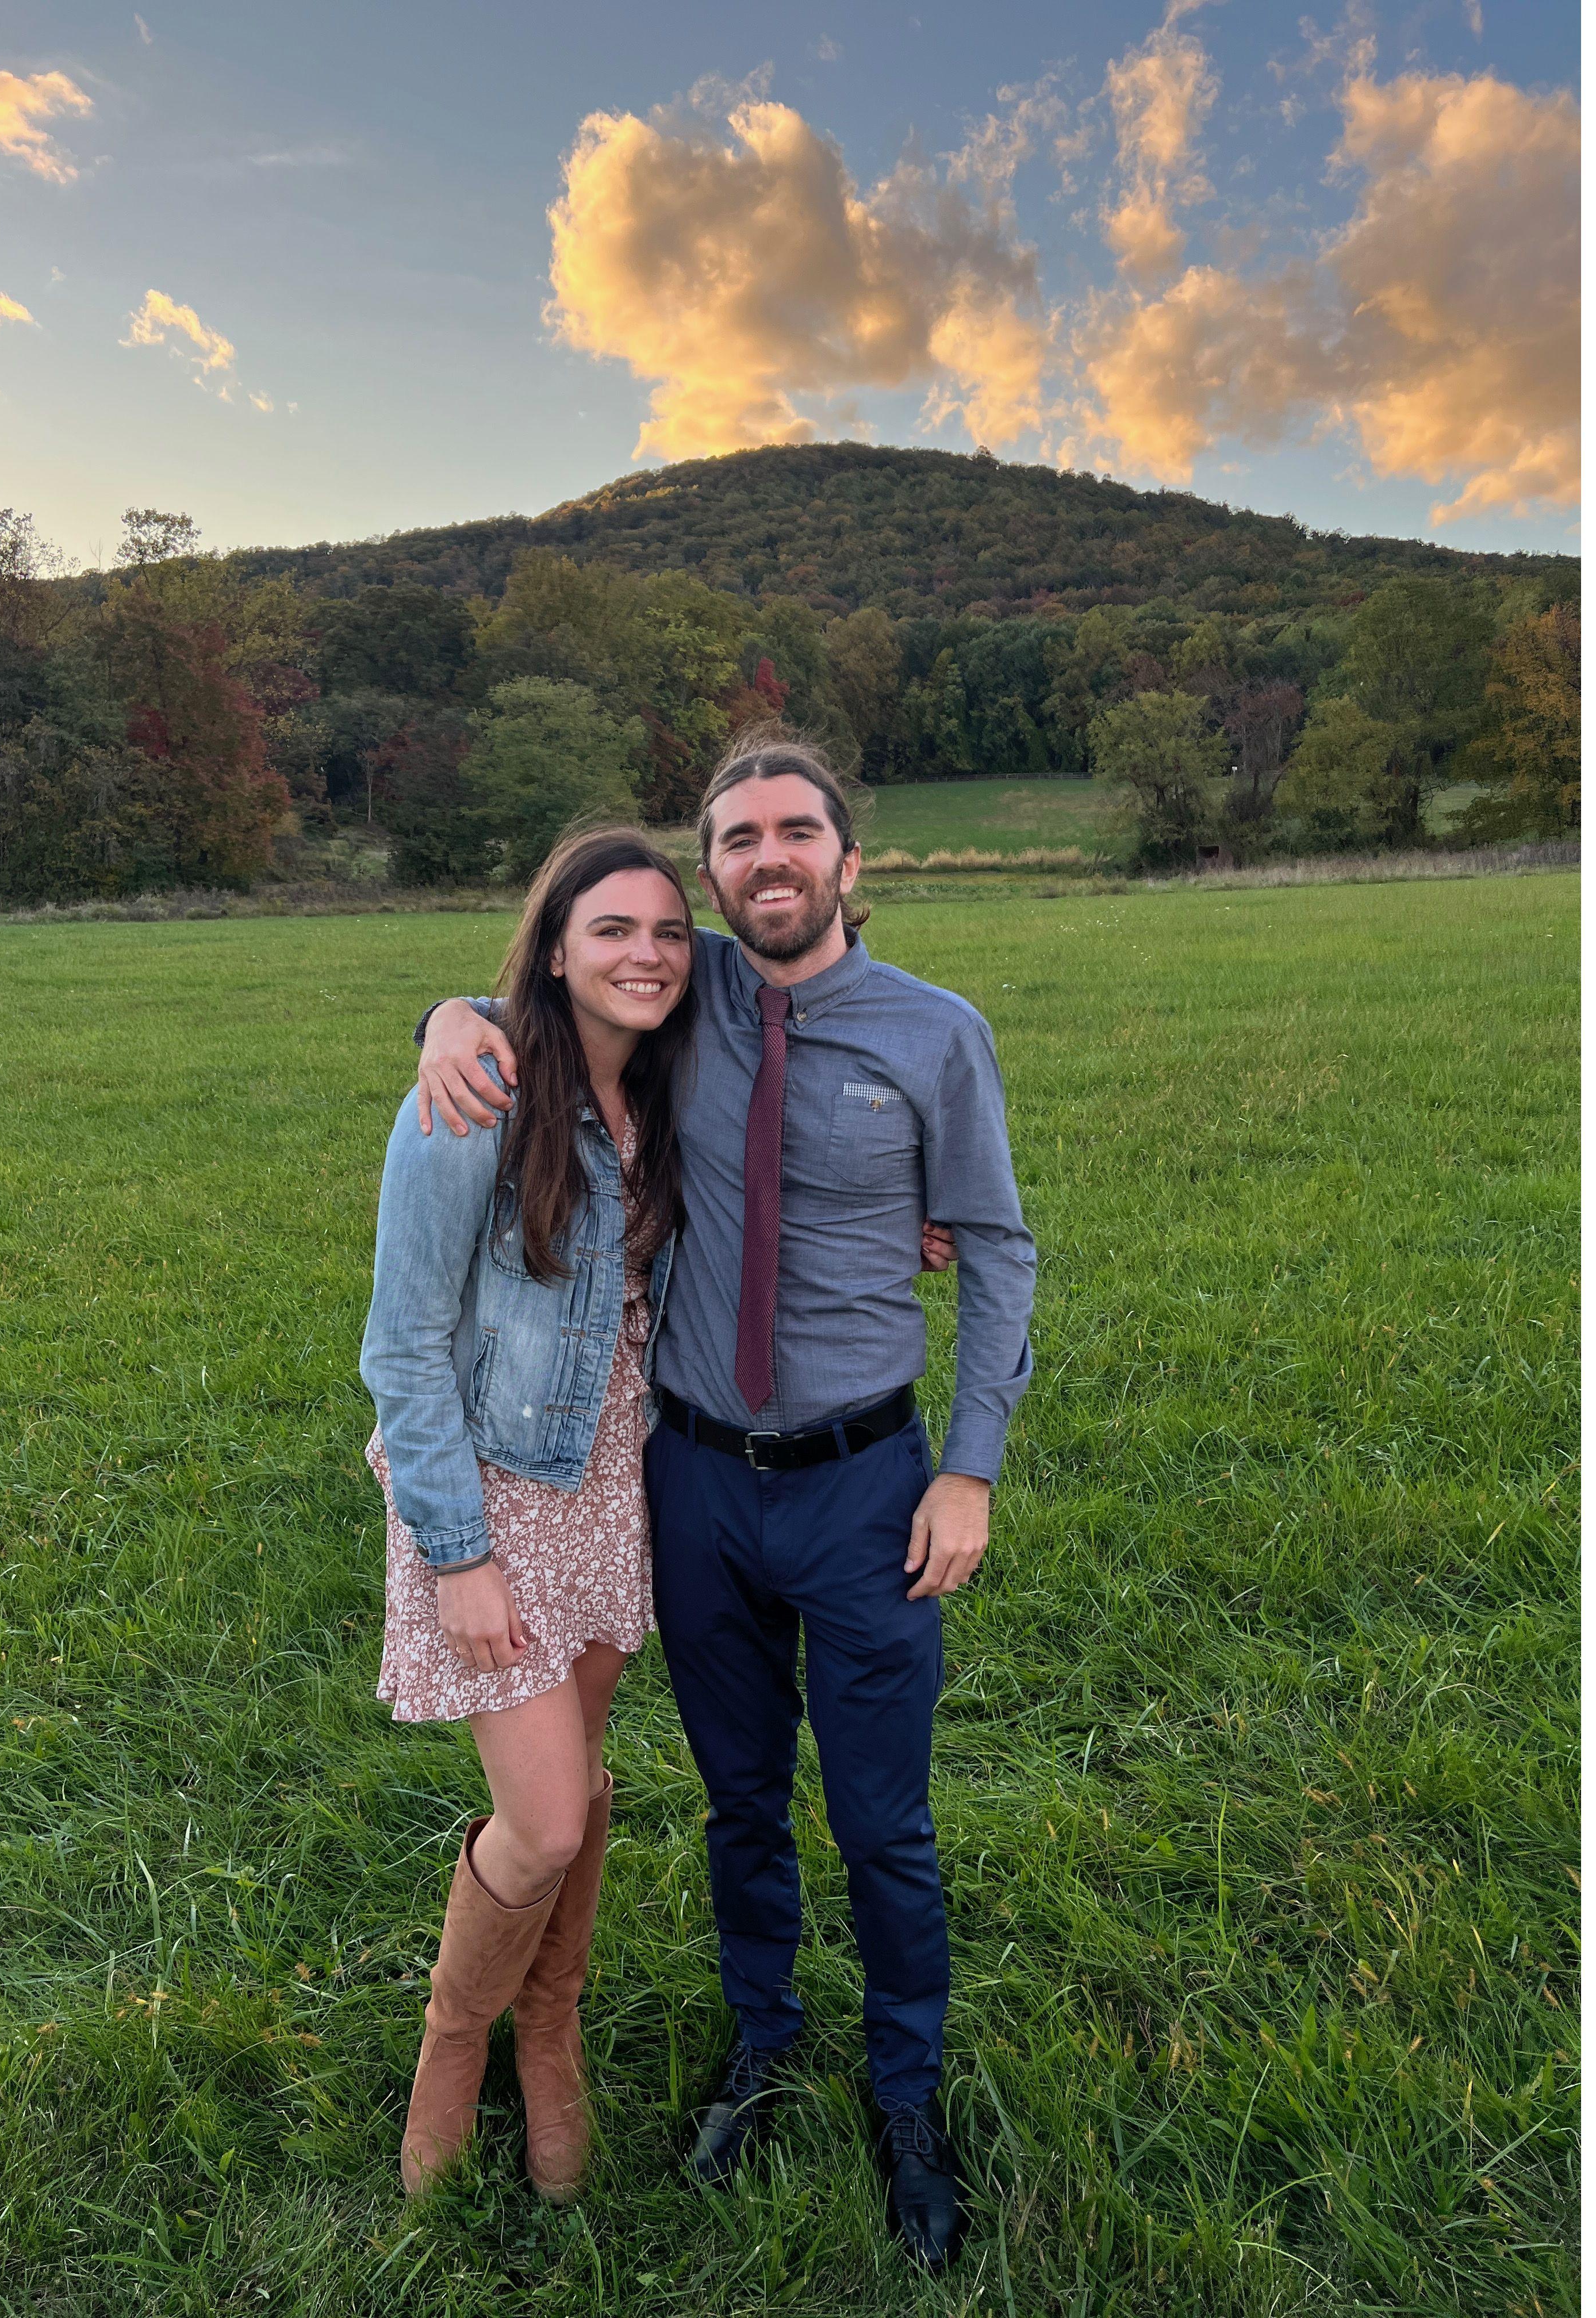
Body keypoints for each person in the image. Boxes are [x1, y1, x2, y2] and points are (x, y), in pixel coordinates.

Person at [413, 731, 1037, 2272]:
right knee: (740, 1800)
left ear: (848, 858)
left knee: (883, 1821)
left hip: (867, 1488)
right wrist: (446, 1018)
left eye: (796, 832)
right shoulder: (681, 1002)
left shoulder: (937, 1034)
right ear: (713, 874)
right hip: (690, 1481)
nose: (771, 859)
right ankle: (763, 2045)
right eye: (740, 840)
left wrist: (969, 1467)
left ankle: (907, 2098)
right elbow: (551, 985)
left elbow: (997, 1249)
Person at [359, 826, 699, 2204]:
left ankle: (548, 2024)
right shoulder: (476, 1094)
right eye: (610, 929)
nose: (646, 955)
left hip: (618, 1483)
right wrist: (460, 1557)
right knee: (549, 1818)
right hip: (496, 1490)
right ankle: (458, 2039)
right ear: (553, 949)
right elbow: (401, 1347)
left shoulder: (673, 1083)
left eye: (668, 932)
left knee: (586, 1773)